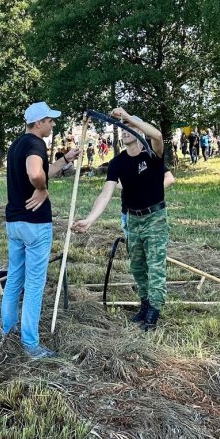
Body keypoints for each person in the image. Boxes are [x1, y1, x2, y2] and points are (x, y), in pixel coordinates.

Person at [74, 108, 171, 332]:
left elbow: (157, 136)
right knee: (137, 267)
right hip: (133, 219)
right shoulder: (117, 162)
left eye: (132, 128)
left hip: (155, 218)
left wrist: (128, 118)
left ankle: (154, 312)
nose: (127, 131)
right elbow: (106, 193)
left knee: (155, 266)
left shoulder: (152, 155)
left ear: (139, 131)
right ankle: (145, 304)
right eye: (124, 129)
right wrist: (89, 220)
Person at [1, 101, 80, 359]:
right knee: (34, 284)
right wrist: (42, 189)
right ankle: (31, 344)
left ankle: (7, 330)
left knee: (15, 277)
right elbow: (36, 174)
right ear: (38, 123)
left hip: (14, 222)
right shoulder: (36, 144)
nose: (52, 124)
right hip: (35, 224)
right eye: (49, 120)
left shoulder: (17, 145)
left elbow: (44, 171)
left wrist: (65, 160)